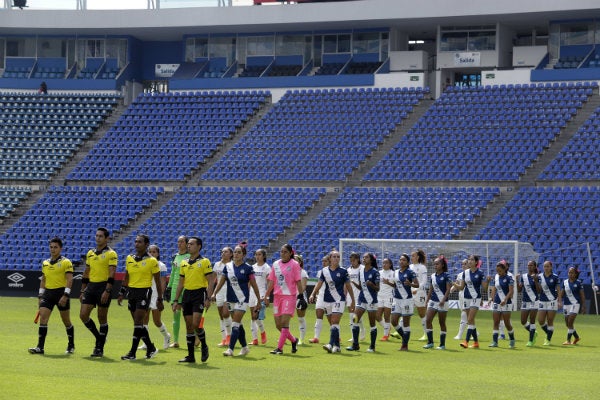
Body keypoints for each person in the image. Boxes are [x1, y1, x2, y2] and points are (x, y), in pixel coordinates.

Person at [117, 234, 163, 360]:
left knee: (138, 322)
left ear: (146, 244)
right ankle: (151, 348)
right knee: (138, 325)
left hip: (144, 293)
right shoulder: (129, 258)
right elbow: (127, 277)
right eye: (136, 241)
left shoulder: (152, 261)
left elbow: (158, 282)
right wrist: (122, 292)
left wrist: (160, 299)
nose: (136, 244)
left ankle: (132, 353)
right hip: (131, 292)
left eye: (140, 242)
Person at [211, 243, 260, 357]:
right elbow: (221, 281)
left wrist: (258, 300)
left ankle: (230, 349)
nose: (236, 254)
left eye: (239, 252)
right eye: (235, 252)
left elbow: (254, 285)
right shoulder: (227, 266)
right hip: (230, 298)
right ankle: (244, 347)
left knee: (235, 324)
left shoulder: (248, 268)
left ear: (243, 255)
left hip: (242, 299)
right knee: (238, 325)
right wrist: (214, 293)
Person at [29, 237, 74, 355]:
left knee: (66, 321)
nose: (53, 249)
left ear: (60, 248)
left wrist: (66, 295)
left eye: (55, 247)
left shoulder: (66, 262)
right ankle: (40, 347)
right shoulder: (45, 263)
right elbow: (43, 280)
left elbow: (70, 280)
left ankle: (71, 344)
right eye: (51, 247)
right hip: (48, 294)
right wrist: (40, 295)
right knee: (43, 319)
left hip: (61, 294)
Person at [172, 236, 214, 363]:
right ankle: (190, 356)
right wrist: (175, 300)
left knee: (196, 324)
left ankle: (204, 346)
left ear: (199, 246)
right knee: (189, 326)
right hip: (187, 295)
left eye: (191, 244)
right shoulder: (184, 262)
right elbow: (181, 283)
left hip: (199, 294)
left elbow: (211, 281)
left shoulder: (205, 261)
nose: (188, 246)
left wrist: (208, 297)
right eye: (188, 244)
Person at [80, 227, 118, 358]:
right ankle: (99, 338)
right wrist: (82, 290)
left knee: (102, 317)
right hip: (91, 287)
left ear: (107, 238)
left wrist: (107, 290)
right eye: (96, 235)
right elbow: (86, 272)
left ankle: (99, 348)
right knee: (83, 315)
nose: (98, 238)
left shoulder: (111, 254)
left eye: (101, 236)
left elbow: (112, 273)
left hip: (103, 287)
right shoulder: (90, 253)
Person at [308, 249, 355, 354]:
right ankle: (337, 346)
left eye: (338, 257)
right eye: (334, 256)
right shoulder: (324, 271)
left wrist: (352, 300)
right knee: (333, 324)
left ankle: (330, 344)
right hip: (327, 300)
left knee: (334, 321)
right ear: (330, 259)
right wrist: (313, 293)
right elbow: (319, 283)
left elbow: (348, 286)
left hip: (339, 300)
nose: (336, 258)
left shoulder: (343, 271)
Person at [264, 244, 304, 354]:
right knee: (278, 325)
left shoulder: (295, 264)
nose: (282, 253)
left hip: (289, 297)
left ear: (291, 253)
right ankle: (293, 340)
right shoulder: (275, 264)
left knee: (285, 322)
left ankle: (279, 349)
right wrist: (267, 295)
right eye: (281, 251)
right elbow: (272, 281)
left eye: (285, 252)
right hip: (277, 297)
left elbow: (298, 281)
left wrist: (301, 296)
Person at [136, 244, 171, 350]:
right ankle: (146, 343)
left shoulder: (161, 265)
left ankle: (166, 336)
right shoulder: (144, 264)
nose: (152, 254)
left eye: (154, 252)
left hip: (156, 295)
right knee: (144, 319)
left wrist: (161, 297)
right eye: (150, 252)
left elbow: (163, 282)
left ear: (158, 253)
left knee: (157, 321)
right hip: (146, 294)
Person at [347, 253, 380, 352]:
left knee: (372, 324)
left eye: (366, 257)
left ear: (371, 260)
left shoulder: (375, 272)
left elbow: (378, 288)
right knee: (354, 319)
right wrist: (354, 284)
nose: (364, 259)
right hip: (362, 299)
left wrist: (371, 285)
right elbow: (361, 287)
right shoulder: (361, 271)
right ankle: (355, 344)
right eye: (363, 257)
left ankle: (372, 346)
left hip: (371, 300)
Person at [455, 254, 488, 349]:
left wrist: (488, 281)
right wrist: (454, 284)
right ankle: (476, 343)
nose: (470, 261)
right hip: (466, 298)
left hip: (476, 298)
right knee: (471, 321)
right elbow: (461, 287)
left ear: (476, 262)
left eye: (472, 260)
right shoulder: (465, 273)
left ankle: (466, 341)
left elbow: (485, 288)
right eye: (469, 259)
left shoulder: (480, 273)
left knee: (469, 320)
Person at [390, 253, 419, 351]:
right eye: (400, 260)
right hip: (396, 299)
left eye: (404, 260)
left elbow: (417, 284)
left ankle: (404, 345)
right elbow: (395, 285)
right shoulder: (396, 272)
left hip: (407, 300)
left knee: (406, 324)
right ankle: (404, 338)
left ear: (407, 263)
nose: (401, 261)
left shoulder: (410, 272)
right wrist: (388, 283)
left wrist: (410, 284)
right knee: (393, 321)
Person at [422, 255, 452, 350]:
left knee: (441, 322)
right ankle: (430, 342)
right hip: (433, 301)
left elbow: (448, 289)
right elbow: (430, 289)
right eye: (434, 264)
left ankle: (442, 344)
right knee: (428, 320)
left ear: (442, 265)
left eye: (437, 264)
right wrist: (427, 300)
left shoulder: (446, 275)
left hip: (443, 302)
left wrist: (443, 300)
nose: (435, 265)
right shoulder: (432, 276)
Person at [165, 235, 189, 348]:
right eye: (178, 242)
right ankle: (175, 341)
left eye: (182, 242)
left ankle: (195, 337)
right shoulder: (175, 256)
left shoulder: (190, 256)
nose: (179, 244)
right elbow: (173, 273)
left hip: (186, 287)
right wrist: (169, 287)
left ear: (186, 243)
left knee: (188, 315)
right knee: (176, 314)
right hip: (175, 287)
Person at [488, 260, 516, 348]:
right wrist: (491, 298)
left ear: (504, 269)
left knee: (507, 323)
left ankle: (512, 340)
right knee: (496, 322)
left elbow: (511, 291)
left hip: (506, 303)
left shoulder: (509, 278)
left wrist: (505, 299)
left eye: (500, 270)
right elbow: (494, 289)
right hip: (497, 301)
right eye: (497, 271)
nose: (498, 272)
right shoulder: (496, 277)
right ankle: (495, 341)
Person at [535, 260, 560, 346]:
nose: (546, 268)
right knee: (541, 320)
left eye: (548, 266)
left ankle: (548, 339)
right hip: (542, 300)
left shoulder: (555, 277)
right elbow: (538, 290)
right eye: (545, 266)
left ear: (551, 267)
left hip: (552, 301)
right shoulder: (539, 277)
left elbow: (558, 289)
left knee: (550, 320)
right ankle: (549, 333)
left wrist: (559, 300)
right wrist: (535, 281)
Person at [559, 266, 586, 345]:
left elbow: (582, 295)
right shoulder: (565, 282)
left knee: (570, 322)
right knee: (567, 324)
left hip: (575, 304)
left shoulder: (578, 283)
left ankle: (568, 340)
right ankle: (577, 337)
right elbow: (562, 293)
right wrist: (559, 300)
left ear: (575, 274)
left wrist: (584, 306)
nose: (570, 274)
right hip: (566, 305)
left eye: (572, 273)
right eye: (569, 272)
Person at [249, 248, 271, 346]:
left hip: (261, 293)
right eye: (256, 254)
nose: (257, 256)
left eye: (259, 254)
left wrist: (267, 296)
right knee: (252, 317)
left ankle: (262, 333)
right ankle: (255, 339)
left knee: (255, 315)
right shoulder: (252, 267)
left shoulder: (267, 268)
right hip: (251, 294)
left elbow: (270, 282)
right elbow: (249, 281)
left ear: (264, 256)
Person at [213, 247, 233, 347]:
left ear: (230, 254)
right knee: (221, 316)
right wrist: (211, 293)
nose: (223, 253)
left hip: (229, 291)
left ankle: (229, 336)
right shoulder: (217, 265)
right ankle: (224, 338)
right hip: (219, 291)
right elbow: (213, 279)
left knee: (225, 313)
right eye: (222, 251)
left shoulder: (232, 265)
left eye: (226, 252)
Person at [308, 254, 330, 344]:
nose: (323, 263)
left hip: (330, 297)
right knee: (319, 315)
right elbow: (318, 284)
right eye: (322, 261)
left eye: (325, 261)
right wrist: (315, 294)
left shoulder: (333, 271)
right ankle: (316, 338)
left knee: (331, 319)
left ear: (329, 262)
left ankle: (337, 336)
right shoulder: (320, 272)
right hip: (321, 296)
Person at [517, 260, 540, 346]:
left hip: (534, 300)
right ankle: (533, 332)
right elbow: (519, 290)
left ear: (535, 267)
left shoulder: (537, 277)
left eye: (531, 265)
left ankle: (531, 340)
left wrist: (536, 281)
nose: (529, 267)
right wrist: (516, 281)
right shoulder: (524, 276)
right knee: (523, 321)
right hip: (525, 301)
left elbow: (539, 291)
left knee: (532, 320)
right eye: (528, 265)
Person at [409, 249, 429, 341]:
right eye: (411, 255)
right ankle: (399, 331)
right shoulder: (409, 267)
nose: (411, 257)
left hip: (420, 293)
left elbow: (424, 282)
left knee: (421, 314)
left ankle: (426, 334)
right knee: (407, 311)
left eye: (413, 255)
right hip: (410, 293)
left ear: (418, 257)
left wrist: (416, 289)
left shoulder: (422, 267)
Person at [346, 252, 365, 342]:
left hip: (360, 294)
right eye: (351, 261)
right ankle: (355, 335)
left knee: (356, 315)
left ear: (358, 259)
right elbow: (346, 284)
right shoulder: (348, 270)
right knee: (352, 316)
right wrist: (345, 294)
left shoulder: (362, 269)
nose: (352, 262)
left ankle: (361, 332)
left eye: (353, 260)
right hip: (350, 294)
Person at [376, 257, 395, 341]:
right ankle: (387, 328)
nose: (384, 264)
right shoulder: (379, 273)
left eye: (386, 263)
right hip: (379, 296)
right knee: (377, 316)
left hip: (389, 296)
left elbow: (396, 286)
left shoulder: (393, 273)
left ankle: (385, 335)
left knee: (387, 316)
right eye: (383, 263)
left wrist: (388, 283)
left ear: (390, 264)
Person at [450, 259, 468, 340]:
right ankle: (475, 332)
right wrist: (451, 290)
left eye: (465, 264)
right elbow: (456, 284)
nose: (463, 265)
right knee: (466, 315)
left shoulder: (469, 274)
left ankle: (459, 335)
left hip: (467, 296)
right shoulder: (460, 274)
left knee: (464, 314)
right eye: (462, 264)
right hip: (460, 295)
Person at [294, 254, 309, 345]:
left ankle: (301, 339)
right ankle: (286, 336)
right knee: (285, 318)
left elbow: (303, 288)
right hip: (290, 297)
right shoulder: (289, 271)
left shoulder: (303, 272)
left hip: (300, 297)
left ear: (300, 262)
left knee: (300, 318)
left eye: (296, 260)